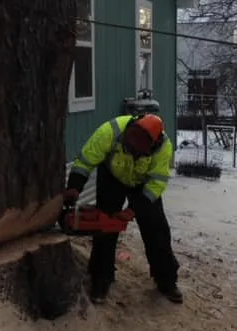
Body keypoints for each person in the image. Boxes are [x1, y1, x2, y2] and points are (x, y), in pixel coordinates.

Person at [64, 113, 182, 305]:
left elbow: (156, 183)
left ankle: (166, 280)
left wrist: (133, 210)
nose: (132, 152)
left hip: (143, 185)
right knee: (104, 226)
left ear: (152, 146)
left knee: (157, 231)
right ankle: (101, 278)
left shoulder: (163, 149)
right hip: (112, 177)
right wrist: (75, 187)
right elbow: (86, 160)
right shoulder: (110, 131)